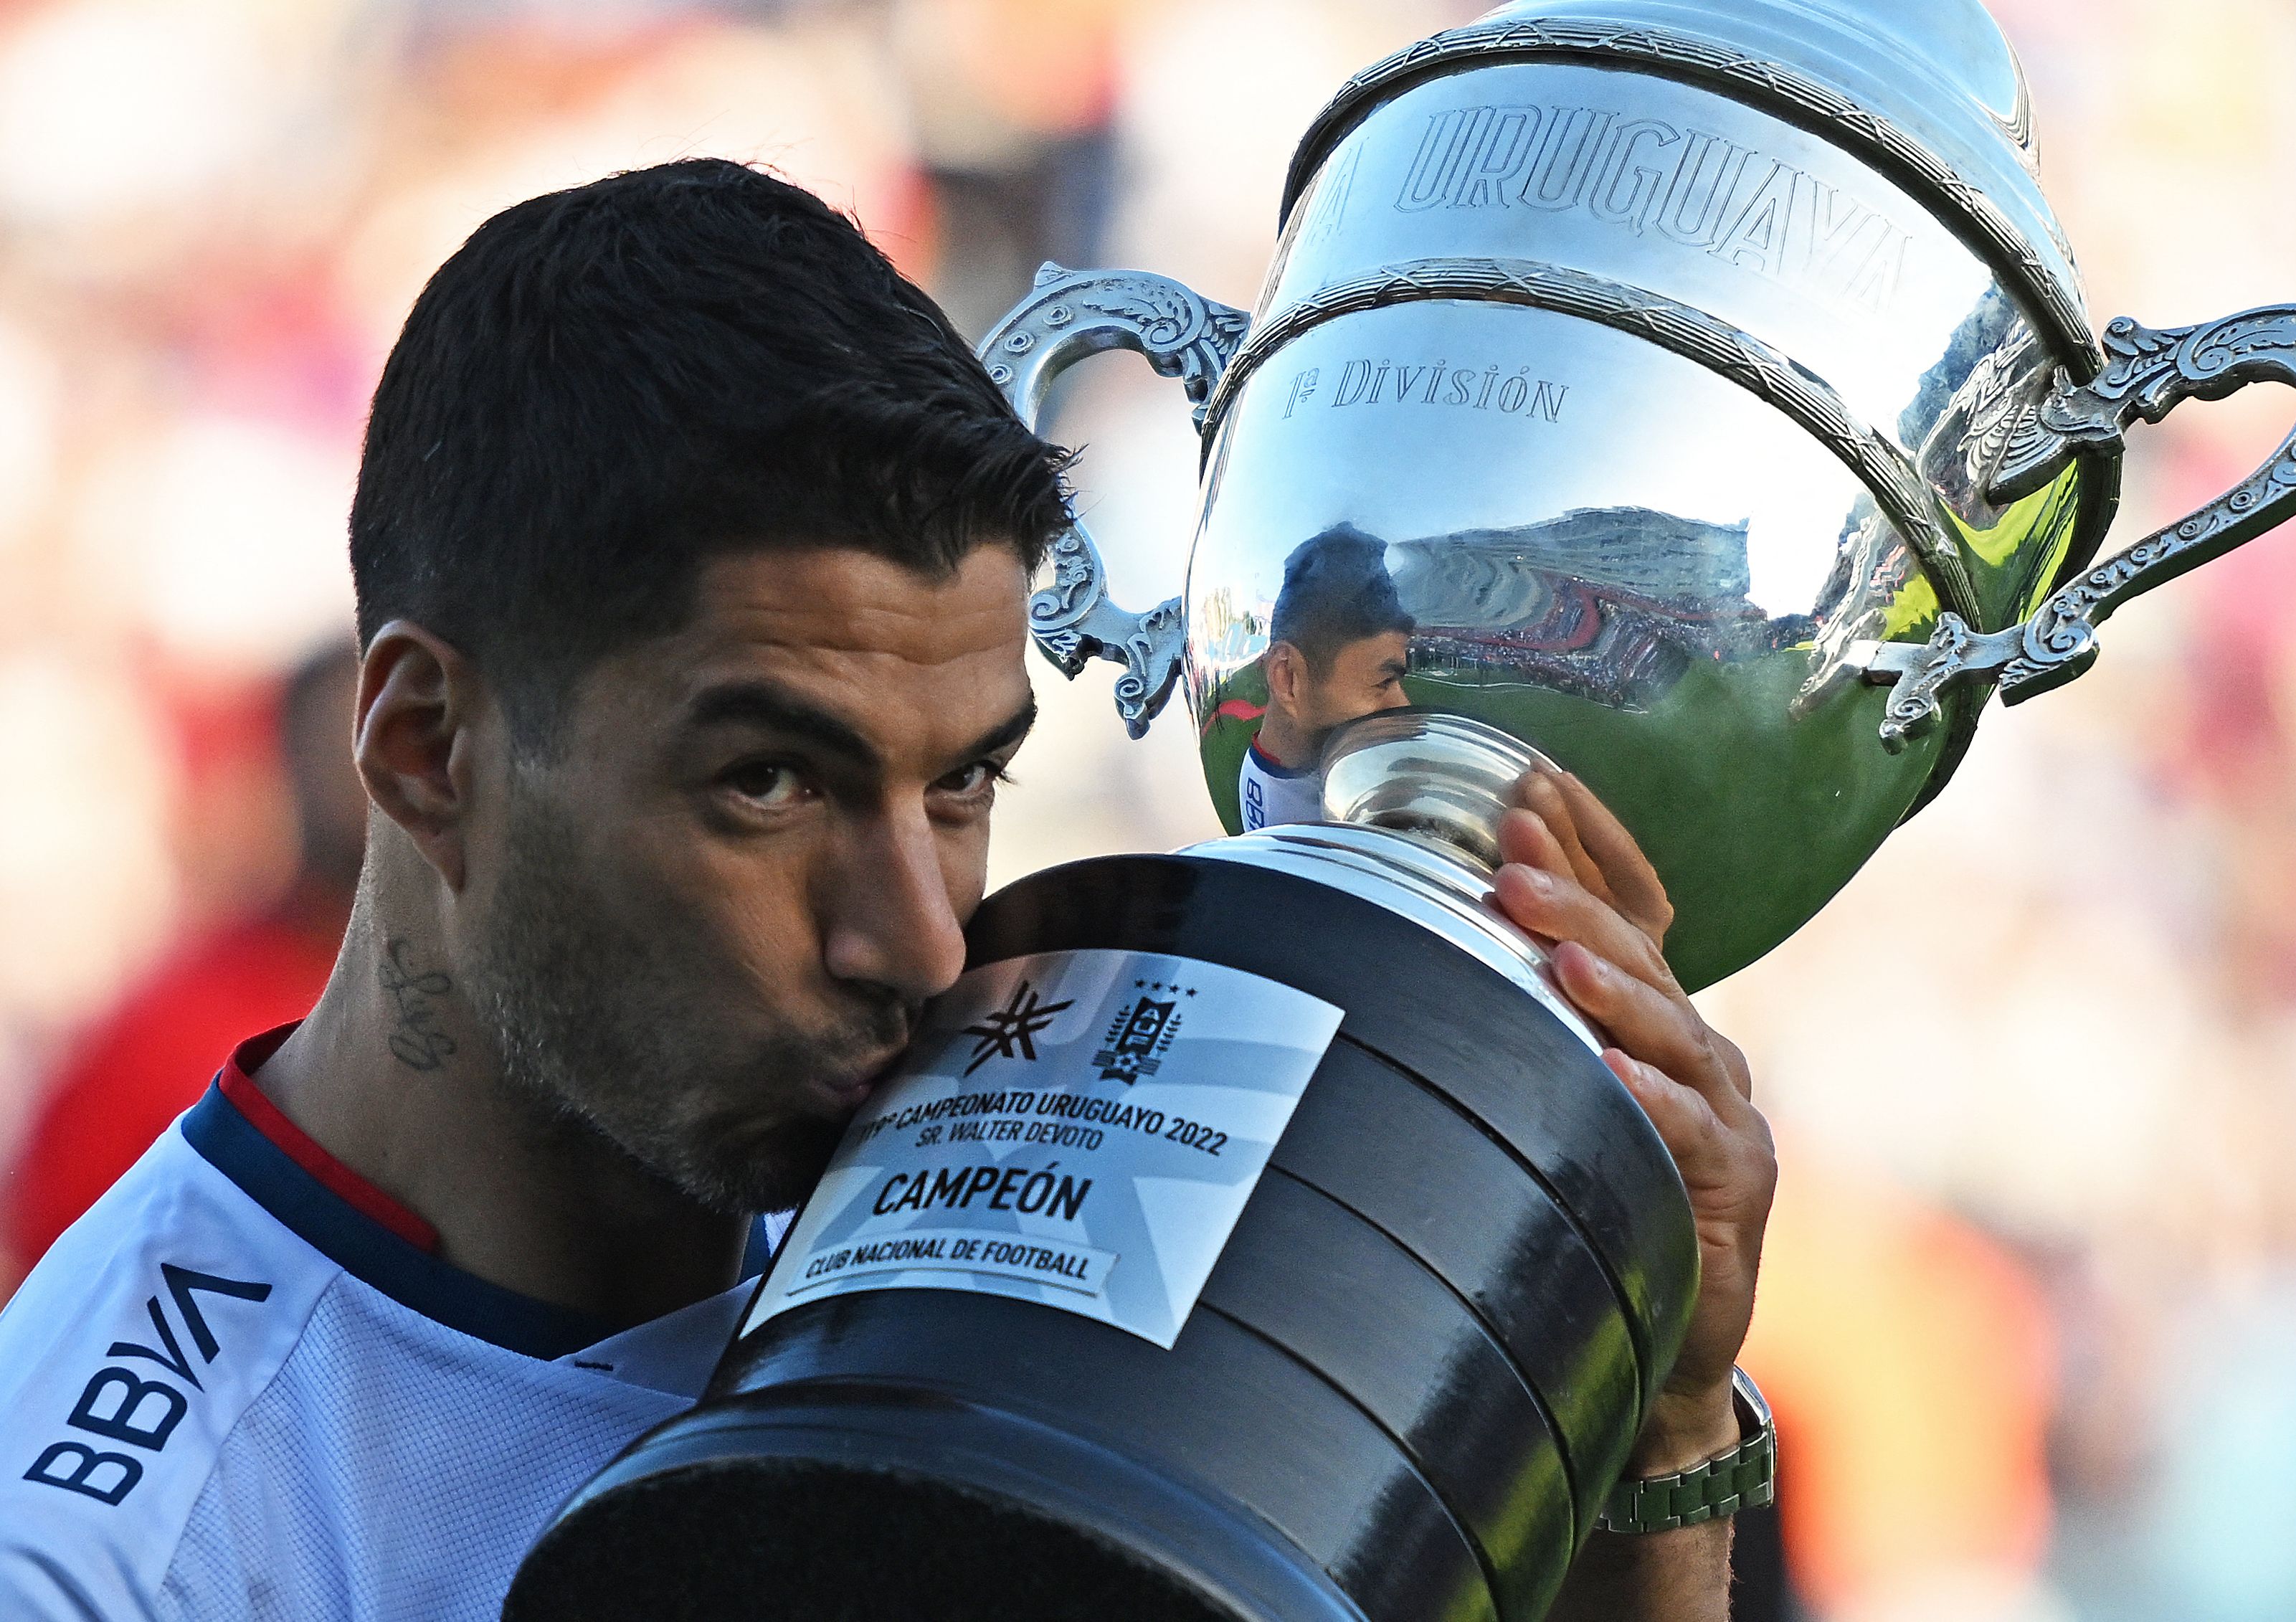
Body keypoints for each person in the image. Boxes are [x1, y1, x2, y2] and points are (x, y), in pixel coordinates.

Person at [0, 160, 1776, 1621]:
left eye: (962, 783)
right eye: (769, 781)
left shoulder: (1029, 1180)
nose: (918, 943)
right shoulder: (112, 1555)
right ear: (422, 748)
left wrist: (1655, 1425)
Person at [4, 642, 366, 1274]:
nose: (365, 788)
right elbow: (52, 1250)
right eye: (338, 747)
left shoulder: (493, 1016)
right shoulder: (173, 1018)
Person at [1239, 523, 1414, 831]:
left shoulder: (1270, 775)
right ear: (1288, 679)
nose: (1404, 705)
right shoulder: (1317, 830)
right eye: (1383, 682)